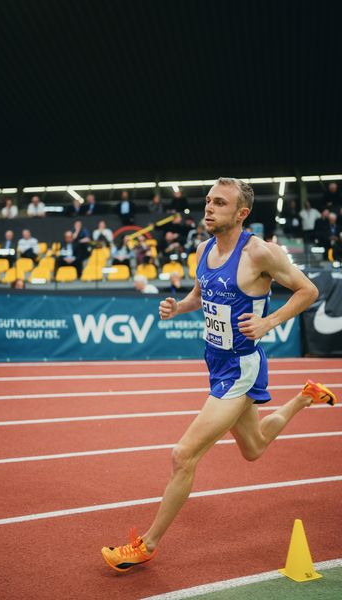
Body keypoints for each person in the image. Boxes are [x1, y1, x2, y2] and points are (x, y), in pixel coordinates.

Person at [101, 176, 337, 572]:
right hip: (216, 361)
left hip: (242, 366)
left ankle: (147, 544)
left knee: (183, 455)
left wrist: (270, 322)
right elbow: (200, 295)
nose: (209, 208)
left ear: (242, 213)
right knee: (254, 448)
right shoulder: (202, 249)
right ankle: (304, 397)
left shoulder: (261, 253)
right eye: (208, 201)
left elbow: (308, 291)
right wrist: (180, 308)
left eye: (220, 203)